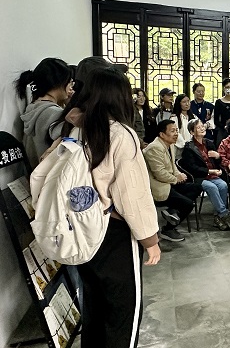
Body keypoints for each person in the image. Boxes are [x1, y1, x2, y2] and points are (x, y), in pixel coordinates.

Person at [61, 67, 160, 348]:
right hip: (114, 232)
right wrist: (150, 240)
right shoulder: (120, 134)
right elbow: (132, 195)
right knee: (123, 312)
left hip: (82, 228)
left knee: (94, 306)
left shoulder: (75, 128)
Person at [143, 120, 202, 242]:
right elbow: (159, 173)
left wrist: (178, 174)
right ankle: (168, 229)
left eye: (176, 130)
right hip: (159, 186)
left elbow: (172, 165)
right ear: (162, 134)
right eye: (172, 131)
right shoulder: (154, 148)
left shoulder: (170, 145)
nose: (176, 134)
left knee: (197, 187)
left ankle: (172, 211)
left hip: (169, 182)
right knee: (187, 204)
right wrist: (176, 179)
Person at [180, 119, 230, 231]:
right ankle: (225, 214)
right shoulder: (189, 147)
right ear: (192, 132)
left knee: (223, 185)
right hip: (199, 178)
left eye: (202, 126)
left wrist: (218, 156)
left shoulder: (209, 143)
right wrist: (209, 171)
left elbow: (218, 162)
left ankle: (218, 217)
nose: (202, 128)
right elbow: (192, 168)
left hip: (213, 175)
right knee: (212, 187)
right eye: (198, 127)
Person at [15, 57, 74, 167]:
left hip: (35, 171)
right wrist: (72, 105)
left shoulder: (33, 107)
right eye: (69, 82)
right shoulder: (54, 113)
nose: (71, 87)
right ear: (59, 83)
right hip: (50, 173)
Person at [170, 93, 196, 159]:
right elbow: (176, 133)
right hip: (180, 148)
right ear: (179, 104)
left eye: (188, 101)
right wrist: (186, 145)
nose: (187, 104)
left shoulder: (194, 117)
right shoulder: (174, 118)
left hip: (193, 148)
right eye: (184, 102)